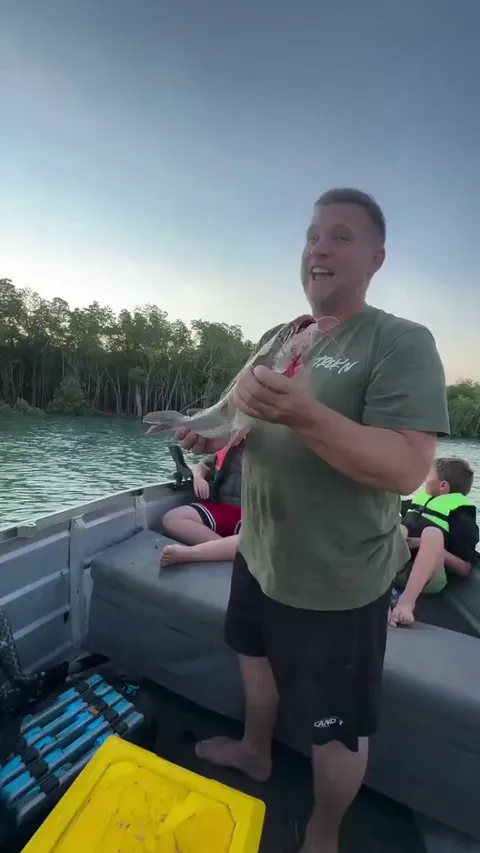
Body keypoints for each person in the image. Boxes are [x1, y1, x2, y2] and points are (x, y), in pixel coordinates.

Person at [176, 188, 450, 853]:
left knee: (338, 729)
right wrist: (209, 437)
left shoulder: (401, 342)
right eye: (311, 235)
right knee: (253, 662)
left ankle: (323, 832)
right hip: (259, 553)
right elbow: (234, 419)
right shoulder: (280, 335)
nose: (319, 248)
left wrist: (306, 413)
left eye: (341, 236)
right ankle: (254, 750)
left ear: (376, 258)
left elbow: (407, 467)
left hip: (338, 582)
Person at [389, 457, 478, 627]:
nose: (424, 480)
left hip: (430, 578)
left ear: (443, 486)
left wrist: (424, 544)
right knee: (399, 528)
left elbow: (465, 568)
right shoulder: (418, 503)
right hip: (398, 568)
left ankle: (406, 604)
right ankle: (383, 596)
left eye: (428, 476)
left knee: (432, 533)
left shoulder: (462, 520)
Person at [160, 443, 243, 567]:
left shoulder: (271, 453)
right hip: (223, 509)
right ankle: (225, 549)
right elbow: (203, 466)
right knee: (171, 518)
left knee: (253, 540)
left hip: (252, 515)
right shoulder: (227, 447)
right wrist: (198, 478)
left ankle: (187, 553)